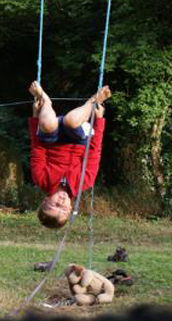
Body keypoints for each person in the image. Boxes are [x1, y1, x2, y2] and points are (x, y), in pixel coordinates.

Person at [28, 81, 111, 228]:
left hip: (52, 137)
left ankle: (46, 100)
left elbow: (37, 149)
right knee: (71, 121)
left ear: (45, 201)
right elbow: (94, 152)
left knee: (47, 124)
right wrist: (98, 120)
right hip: (78, 139)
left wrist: (35, 117)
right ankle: (93, 100)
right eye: (64, 209)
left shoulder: (41, 179)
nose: (61, 202)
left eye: (55, 205)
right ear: (71, 208)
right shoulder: (84, 183)